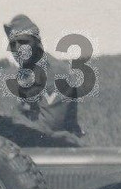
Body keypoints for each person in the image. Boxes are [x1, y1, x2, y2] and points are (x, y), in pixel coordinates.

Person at [5, 13, 85, 144]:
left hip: (59, 150)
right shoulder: (29, 72)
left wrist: (9, 123)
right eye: (13, 44)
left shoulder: (55, 73)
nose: (19, 49)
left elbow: (47, 126)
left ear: (36, 41)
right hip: (36, 144)